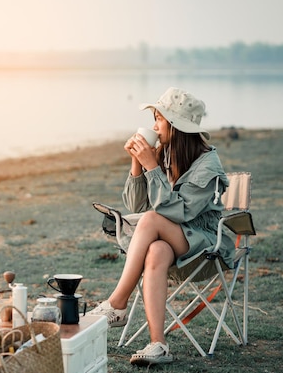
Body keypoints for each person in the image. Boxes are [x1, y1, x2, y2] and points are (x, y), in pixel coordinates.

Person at [88, 87, 235, 366]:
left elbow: (179, 213)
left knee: (152, 220)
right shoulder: (166, 154)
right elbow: (136, 204)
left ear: (176, 127)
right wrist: (137, 163)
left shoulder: (208, 165)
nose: (154, 126)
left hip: (203, 242)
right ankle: (159, 344)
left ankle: (118, 302)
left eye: (159, 119)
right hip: (174, 241)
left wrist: (152, 167)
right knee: (155, 250)